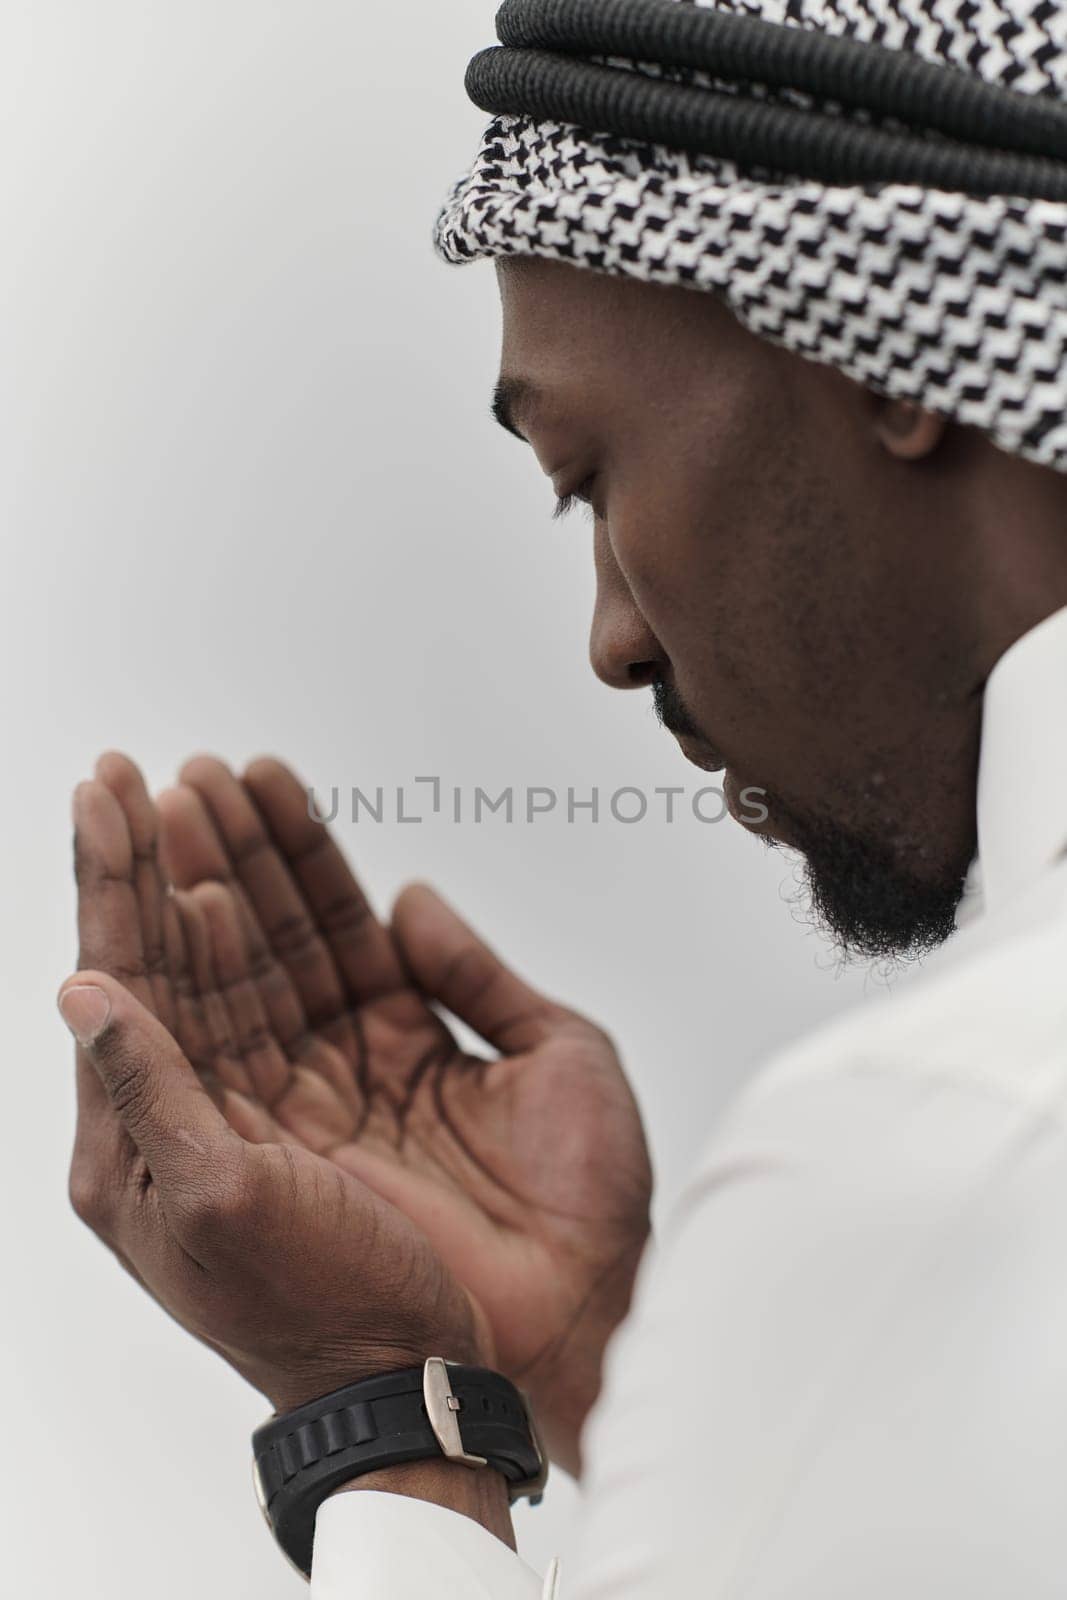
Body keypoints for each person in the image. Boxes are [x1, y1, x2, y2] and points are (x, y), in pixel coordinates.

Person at [59, 0, 1067, 1593]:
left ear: (878, 347)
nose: (609, 640)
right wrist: (623, 1367)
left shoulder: (943, 1153)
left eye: (586, 474)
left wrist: (386, 1414)